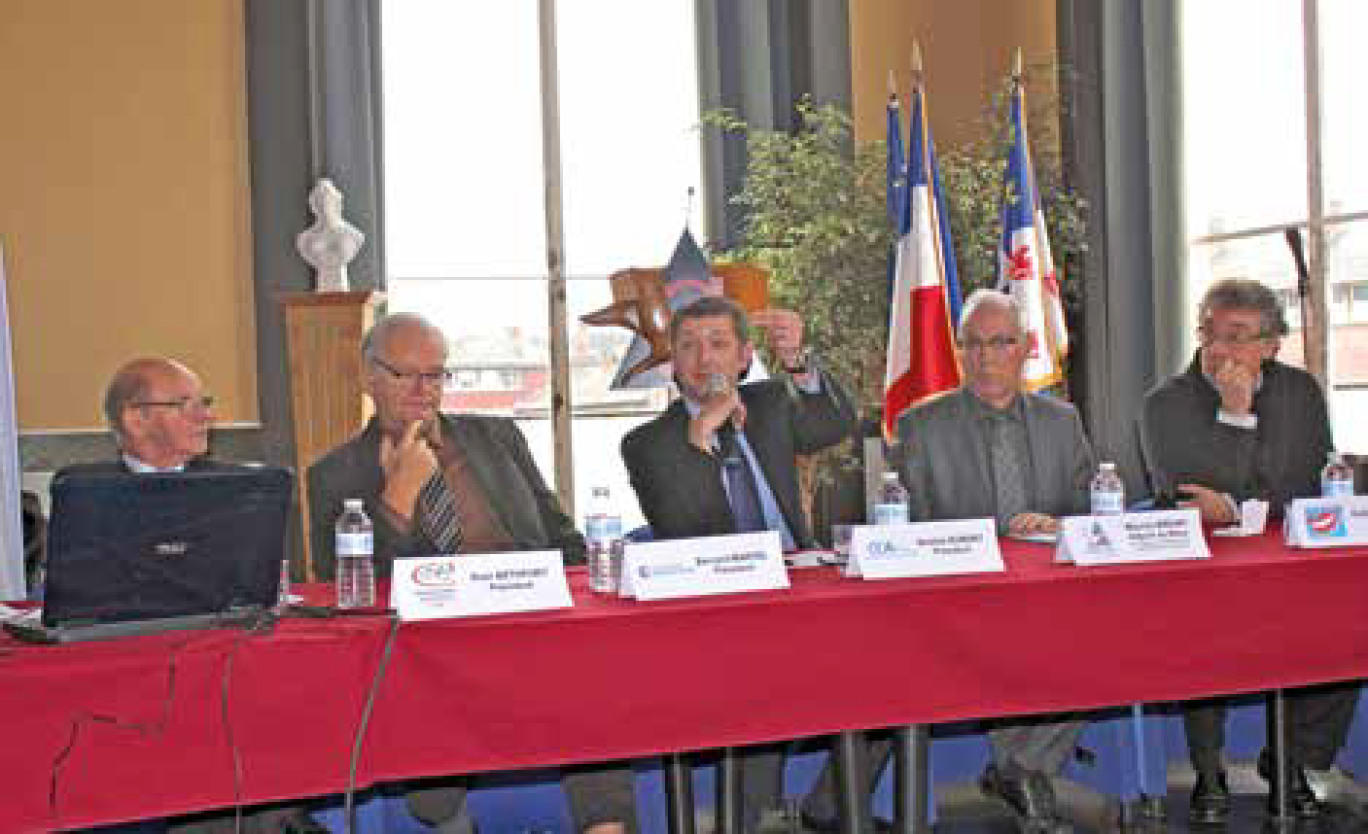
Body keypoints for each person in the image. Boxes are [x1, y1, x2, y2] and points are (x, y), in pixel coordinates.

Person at [307, 312, 637, 834]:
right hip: (434, 642)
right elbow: (350, 591)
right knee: (420, 695)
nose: (423, 390)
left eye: (435, 375)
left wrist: (585, 597)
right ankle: (450, 821)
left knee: (592, 672)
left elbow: (561, 534)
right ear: (369, 376)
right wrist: (397, 497)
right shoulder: (333, 474)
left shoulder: (496, 436)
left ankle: (605, 827)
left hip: (530, 616)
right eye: (405, 375)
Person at [803, 290, 1093, 834]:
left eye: (1001, 343)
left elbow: (1089, 514)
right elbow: (900, 528)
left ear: (1026, 348)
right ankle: (833, 800)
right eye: (974, 345)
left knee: (1100, 639)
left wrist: (1059, 526)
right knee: (897, 658)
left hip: (1046, 599)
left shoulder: (1063, 420)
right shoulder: (921, 425)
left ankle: (1021, 767)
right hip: (954, 602)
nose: (986, 357)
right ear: (960, 352)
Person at [621, 295, 857, 832]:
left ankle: (828, 804)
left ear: (746, 356)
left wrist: (798, 362)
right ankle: (754, 820)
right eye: (688, 347)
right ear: (672, 364)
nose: (704, 360)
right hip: (718, 613)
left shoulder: (773, 403)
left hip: (802, 594)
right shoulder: (646, 444)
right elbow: (686, 531)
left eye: (719, 345)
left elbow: (835, 423)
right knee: (755, 668)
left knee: (899, 667)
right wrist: (701, 433)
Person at [57, 357, 322, 834]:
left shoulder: (242, 490)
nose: (206, 416)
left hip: (222, 671)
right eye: (186, 404)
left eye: (206, 403)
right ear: (135, 418)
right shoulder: (85, 492)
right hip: (123, 685)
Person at [1139, 277, 1364, 825]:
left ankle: (1295, 760)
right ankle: (1208, 769)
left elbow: (1308, 487)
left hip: (1291, 565)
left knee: (1351, 624)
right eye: (1210, 334)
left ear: (1272, 343)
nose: (1220, 350)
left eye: (1237, 336)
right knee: (1207, 631)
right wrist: (1235, 414)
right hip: (1204, 572)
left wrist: (1239, 508)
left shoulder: (1300, 392)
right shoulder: (1165, 403)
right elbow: (1190, 492)